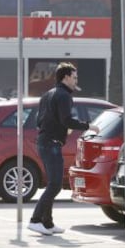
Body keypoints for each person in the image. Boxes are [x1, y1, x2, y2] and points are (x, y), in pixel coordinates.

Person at [27, 62, 100, 235]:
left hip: (44, 141)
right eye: (74, 77)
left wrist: (60, 128)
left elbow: (40, 121)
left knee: (53, 184)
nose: (76, 81)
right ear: (66, 77)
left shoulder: (47, 94)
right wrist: (88, 126)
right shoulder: (64, 96)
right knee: (55, 185)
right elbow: (67, 120)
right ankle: (35, 220)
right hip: (51, 144)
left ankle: (48, 223)